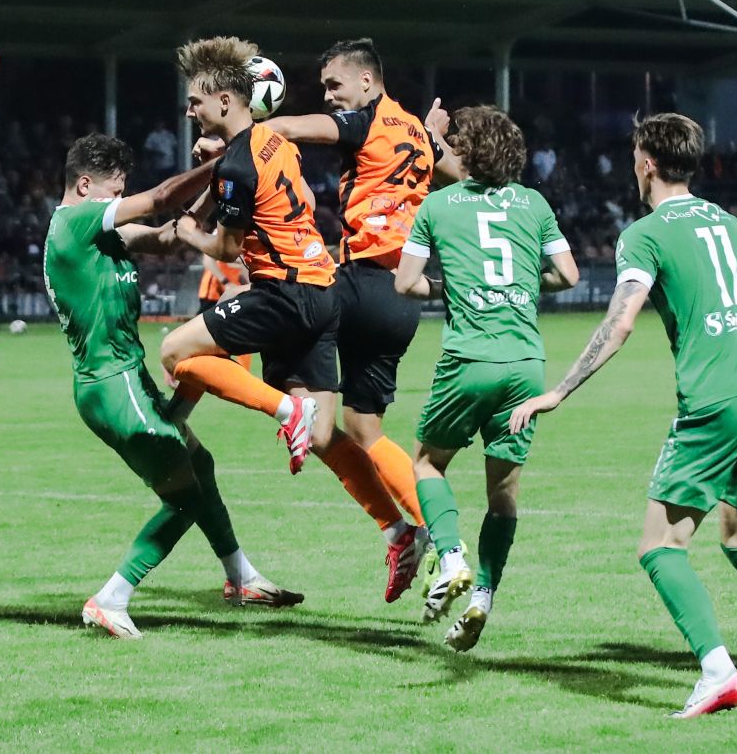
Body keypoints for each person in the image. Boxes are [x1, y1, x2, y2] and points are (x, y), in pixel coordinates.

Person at [510, 113, 737, 714]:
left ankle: (718, 673)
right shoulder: (727, 221)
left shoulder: (645, 233)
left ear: (647, 162)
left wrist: (559, 391)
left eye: (635, 155)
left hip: (716, 401)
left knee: (659, 546)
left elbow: (620, 322)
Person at [162, 37, 418, 601]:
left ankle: (265, 411)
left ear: (225, 100)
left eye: (195, 100)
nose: (189, 110)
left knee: (175, 351)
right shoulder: (274, 143)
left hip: (283, 292)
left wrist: (186, 232)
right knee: (325, 436)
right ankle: (399, 531)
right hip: (323, 289)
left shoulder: (236, 164)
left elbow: (226, 248)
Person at [228, 37, 462, 602]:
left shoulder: (367, 120)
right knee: (363, 432)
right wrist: (433, 138)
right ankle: (441, 545)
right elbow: (459, 171)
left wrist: (243, 133)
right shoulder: (414, 130)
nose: (330, 96)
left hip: (359, 282)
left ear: (366, 81)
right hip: (402, 298)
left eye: (335, 85)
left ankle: (289, 411)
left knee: (285, 348)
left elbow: (289, 129)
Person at [45, 134, 300, 637]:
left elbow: (167, 235)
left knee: (200, 465)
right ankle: (111, 598)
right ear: (85, 185)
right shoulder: (74, 222)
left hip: (125, 379)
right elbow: (161, 198)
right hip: (112, 384)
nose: (120, 200)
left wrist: (216, 189)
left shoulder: (100, 232)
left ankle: (241, 577)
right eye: (115, 192)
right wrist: (225, 161)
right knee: (184, 495)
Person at [395, 105, 579, 650]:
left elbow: (406, 283)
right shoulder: (534, 203)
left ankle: (452, 557)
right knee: (503, 495)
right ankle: (483, 597)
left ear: (467, 152)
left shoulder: (438, 205)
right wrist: (520, 287)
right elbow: (568, 275)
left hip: (469, 360)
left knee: (427, 463)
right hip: (525, 365)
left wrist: (451, 288)